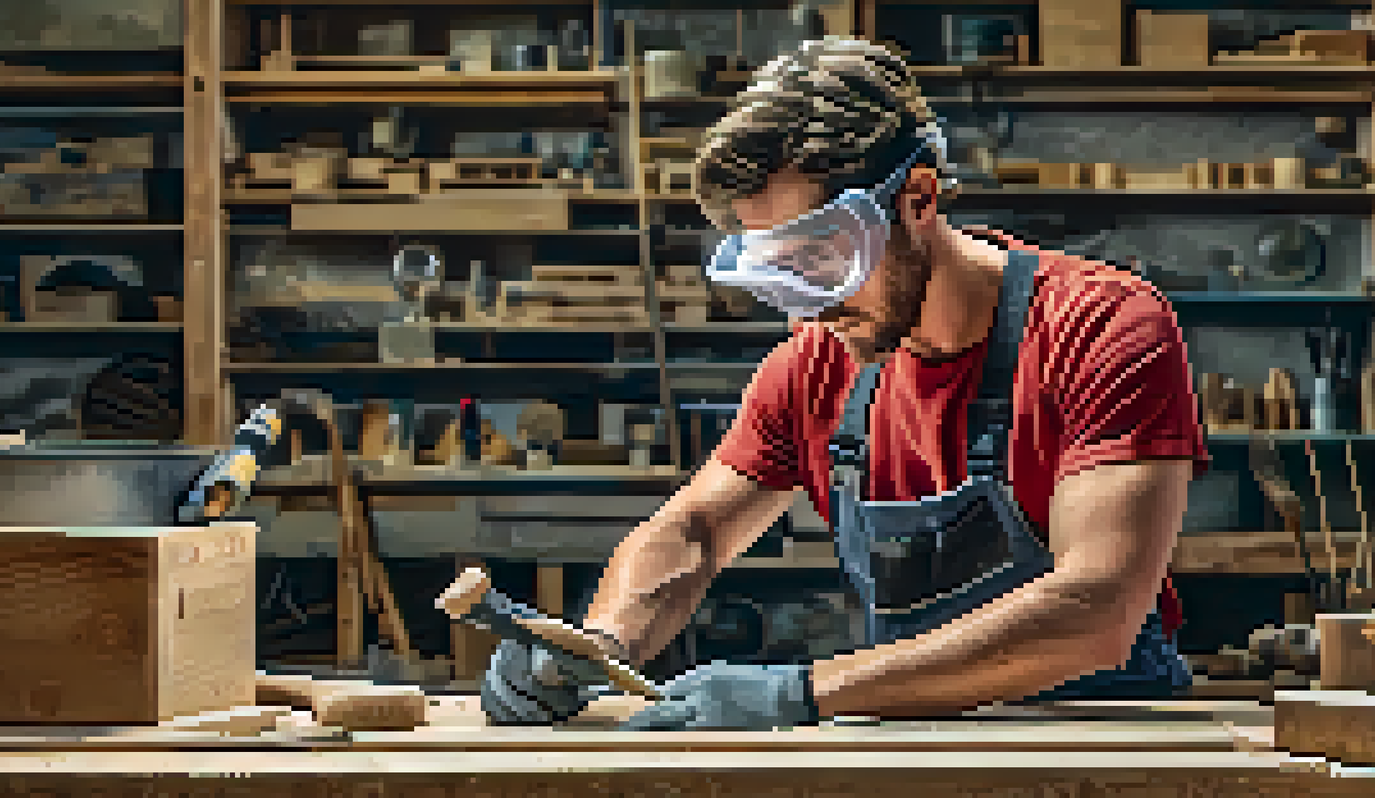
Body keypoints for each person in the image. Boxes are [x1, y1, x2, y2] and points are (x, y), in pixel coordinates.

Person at [481, 36, 1208, 731]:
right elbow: (696, 530)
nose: (809, 305)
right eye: (778, 270)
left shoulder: (1100, 328)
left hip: (1099, 737)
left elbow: (1098, 609)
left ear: (918, 199)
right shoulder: (815, 364)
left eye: (823, 258)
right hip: (908, 738)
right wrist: (600, 646)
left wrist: (804, 692)